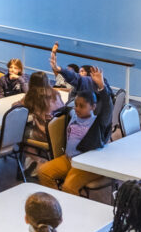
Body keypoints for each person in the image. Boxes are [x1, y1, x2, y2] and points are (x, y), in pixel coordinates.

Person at [36, 67, 113, 195]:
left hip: (87, 164)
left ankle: (70, 209)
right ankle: (58, 203)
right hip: (68, 159)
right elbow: (75, 84)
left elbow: (107, 107)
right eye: (76, 105)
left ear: (93, 107)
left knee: (69, 187)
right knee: (43, 171)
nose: (77, 109)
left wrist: (101, 86)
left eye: (82, 106)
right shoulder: (74, 114)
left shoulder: (98, 122)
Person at [19, 72, 65, 147]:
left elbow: (17, 106)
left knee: (18, 132)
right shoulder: (56, 93)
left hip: (44, 135)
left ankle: (31, 156)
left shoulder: (33, 96)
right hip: (59, 133)